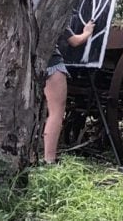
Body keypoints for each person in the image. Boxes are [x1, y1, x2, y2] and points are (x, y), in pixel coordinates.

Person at [43, 19, 95, 164]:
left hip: (29, 63)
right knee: (56, 113)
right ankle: (49, 160)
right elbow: (75, 41)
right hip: (51, 64)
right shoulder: (55, 13)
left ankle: (31, 155)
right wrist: (87, 32)